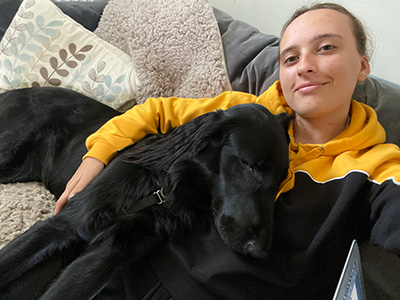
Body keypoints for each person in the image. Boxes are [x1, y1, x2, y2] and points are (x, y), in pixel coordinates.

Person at [55, 3, 400, 299]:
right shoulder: (242, 112)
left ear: (363, 67)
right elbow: (155, 111)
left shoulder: (380, 167)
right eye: (290, 57)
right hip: (128, 259)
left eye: (326, 48)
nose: (304, 66)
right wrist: (96, 155)